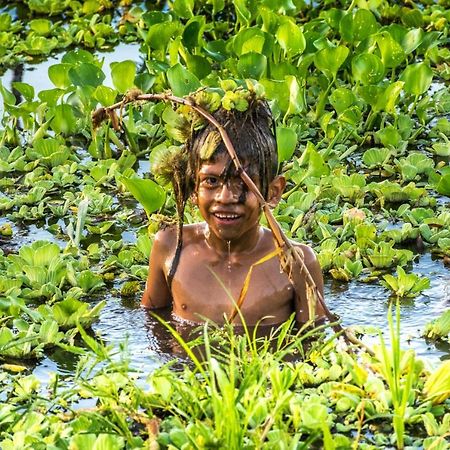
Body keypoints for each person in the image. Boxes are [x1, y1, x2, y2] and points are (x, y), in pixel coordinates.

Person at [141, 94, 325, 326]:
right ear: (192, 188)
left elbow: (314, 340)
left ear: (273, 192)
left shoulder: (296, 263)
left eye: (243, 182)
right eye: (211, 181)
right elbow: (152, 322)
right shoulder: (170, 247)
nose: (225, 197)